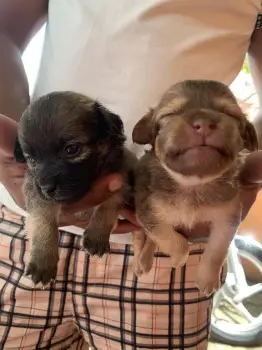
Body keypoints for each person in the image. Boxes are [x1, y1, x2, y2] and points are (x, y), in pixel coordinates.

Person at [0, 1, 262, 349]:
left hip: (173, 238)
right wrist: (15, 156)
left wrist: (245, 170)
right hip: (25, 222)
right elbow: (3, 31)